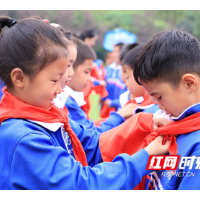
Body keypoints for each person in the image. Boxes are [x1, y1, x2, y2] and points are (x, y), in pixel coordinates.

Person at [0, 16, 170, 190]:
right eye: (54, 80)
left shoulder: (51, 116)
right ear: (19, 78)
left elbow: (93, 144)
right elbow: (82, 184)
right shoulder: (24, 139)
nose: (60, 90)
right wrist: (145, 157)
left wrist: (141, 124)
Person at [133, 30, 200, 190]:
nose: (160, 107)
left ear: (189, 83)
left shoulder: (196, 146)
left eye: (160, 97)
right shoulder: (176, 126)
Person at [59, 38, 137, 133]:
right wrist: (119, 116)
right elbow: (89, 136)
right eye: (87, 72)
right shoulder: (66, 102)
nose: (70, 72)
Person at [121, 44, 159, 114]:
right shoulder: (142, 105)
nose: (126, 83)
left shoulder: (152, 110)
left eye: (127, 77)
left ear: (140, 74)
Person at [101, 43, 126, 117]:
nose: (114, 54)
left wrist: (113, 103)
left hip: (120, 109)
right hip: (105, 108)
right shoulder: (107, 69)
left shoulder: (124, 71)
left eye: (117, 52)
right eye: (113, 52)